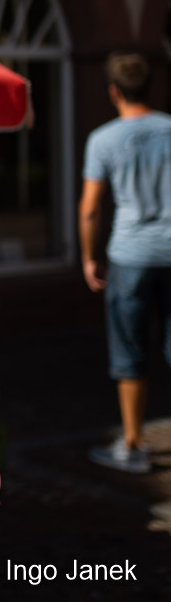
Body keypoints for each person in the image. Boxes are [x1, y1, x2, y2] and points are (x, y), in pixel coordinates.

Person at [80, 51, 171, 474]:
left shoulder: (103, 139)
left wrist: (88, 257)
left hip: (129, 255)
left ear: (114, 91)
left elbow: (90, 208)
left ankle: (133, 445)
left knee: (129, 351)